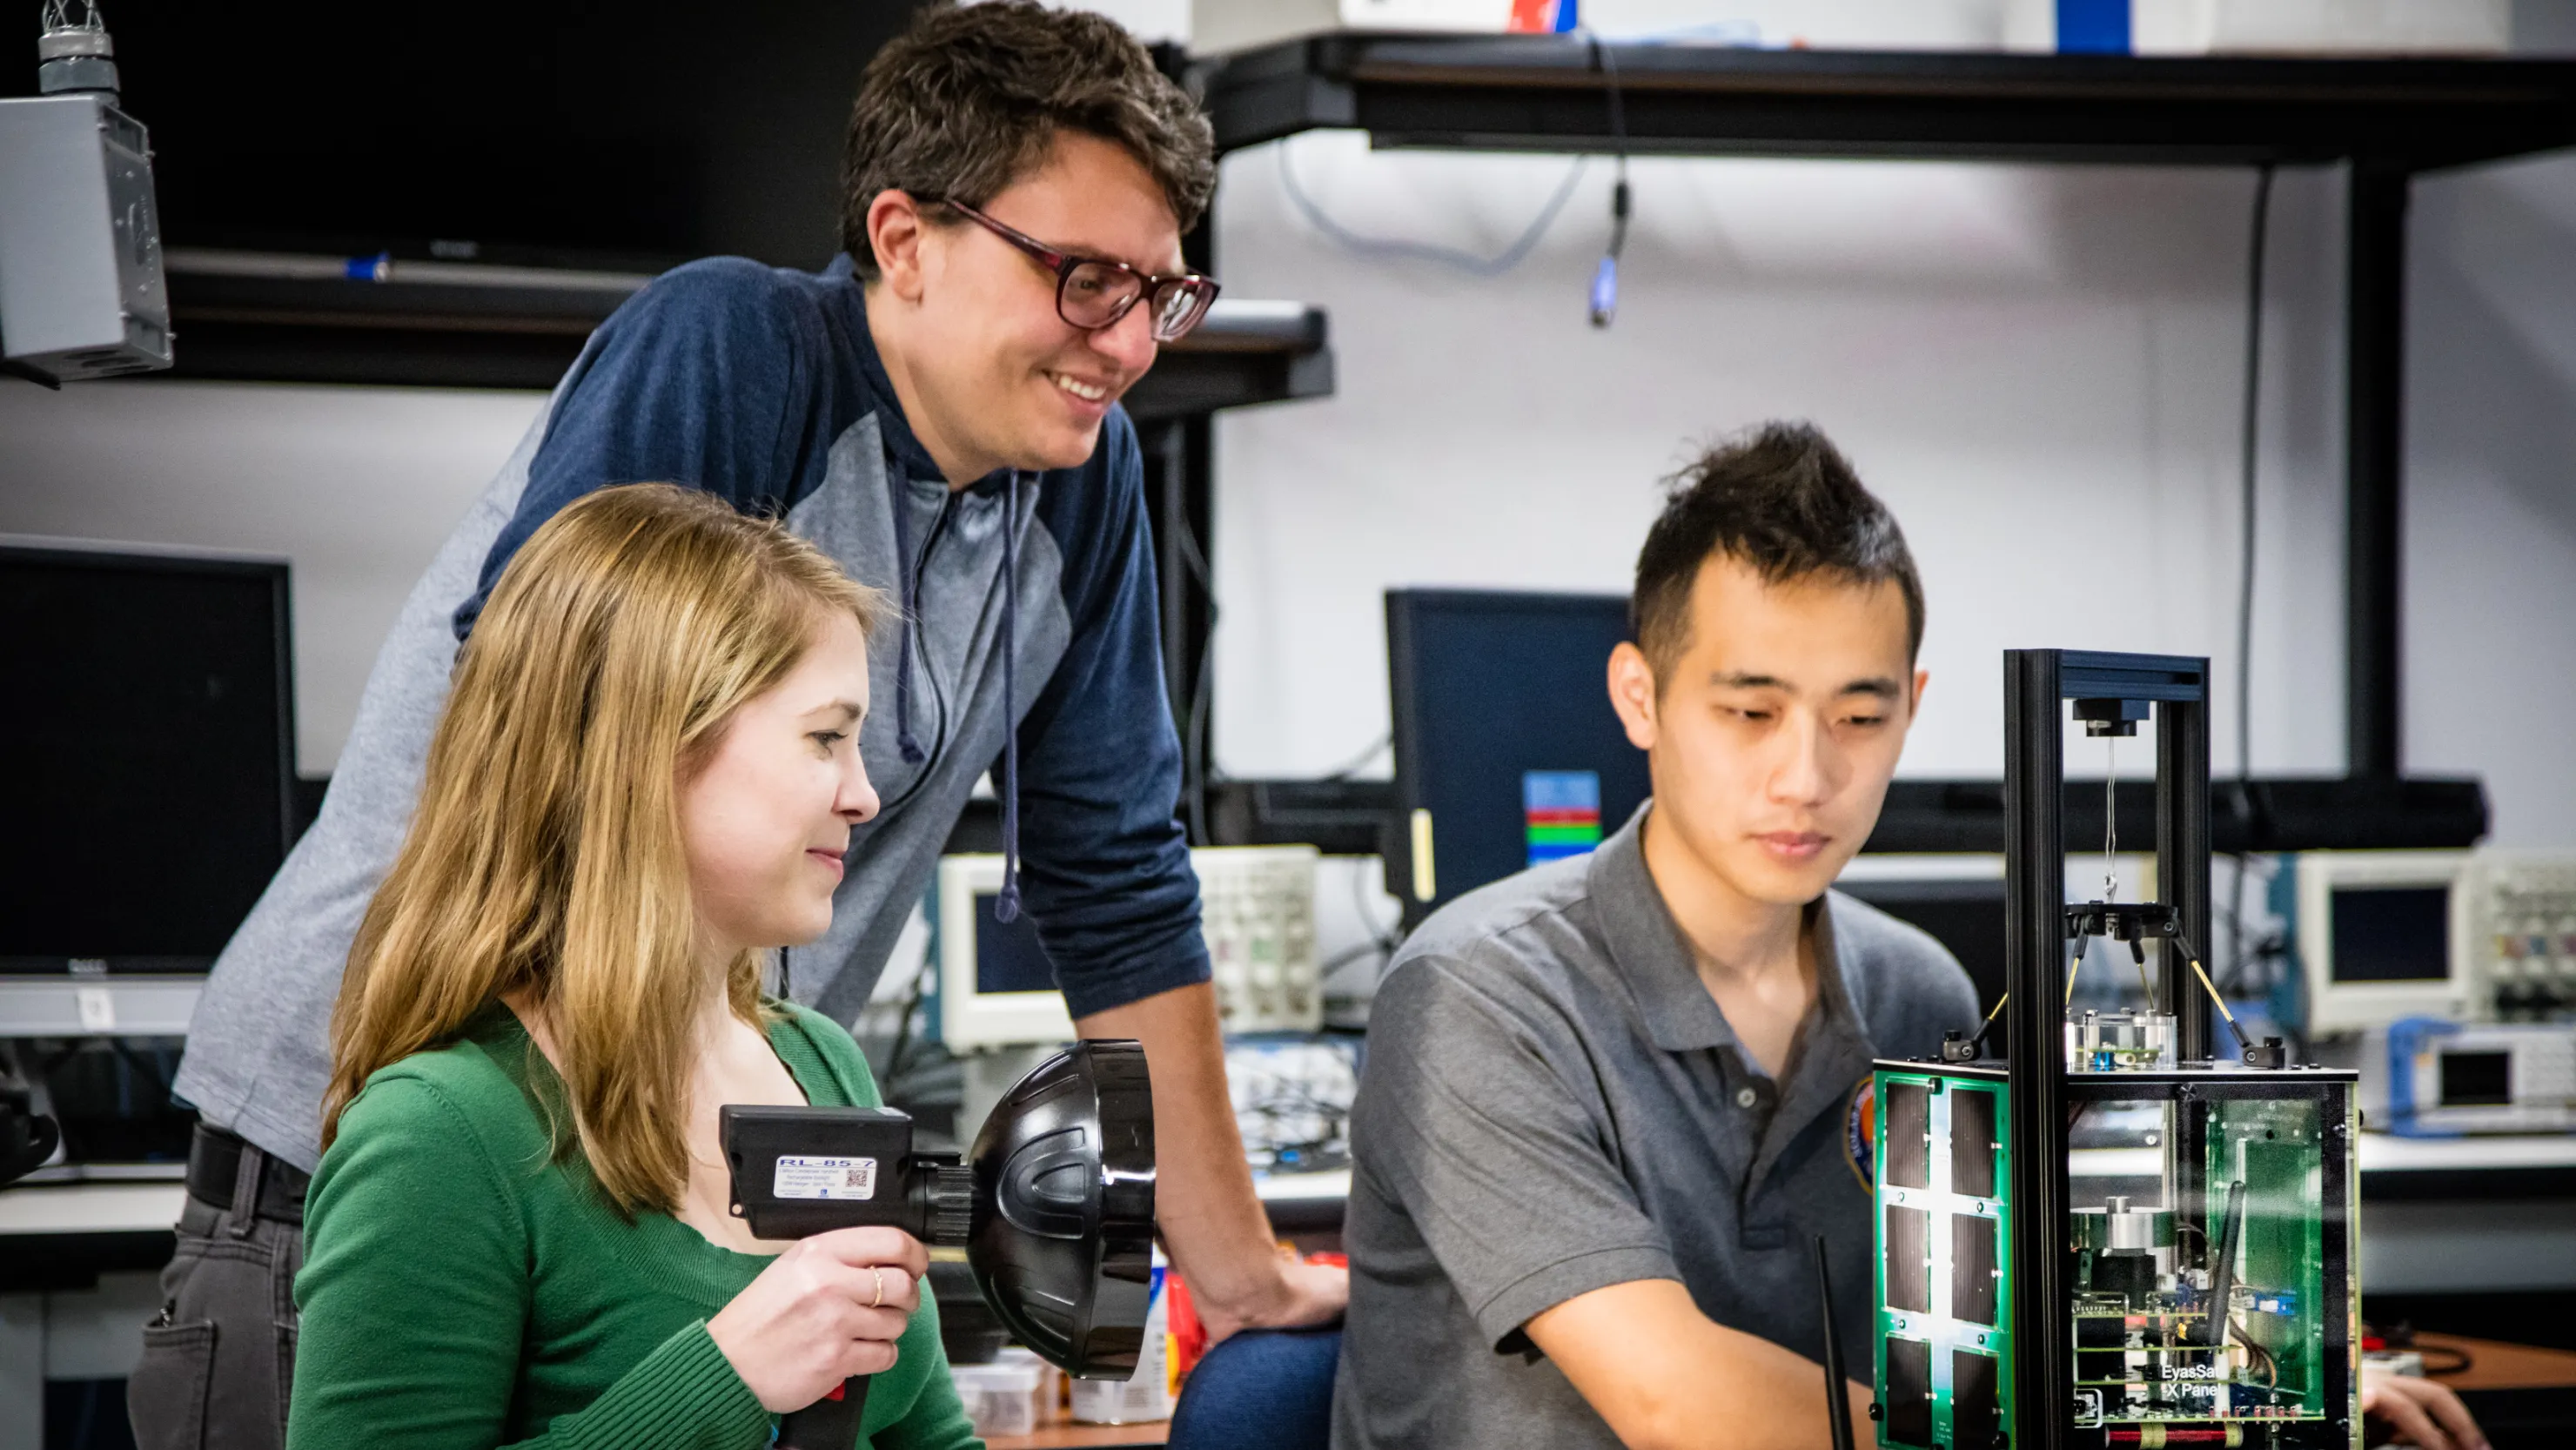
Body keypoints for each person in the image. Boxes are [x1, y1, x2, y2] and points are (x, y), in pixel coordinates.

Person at [139, 5, 1340, 1444]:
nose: (1131, 342)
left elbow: (1119, 885)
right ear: (905, 240)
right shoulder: (738, 350)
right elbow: (561, 744)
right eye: (1087, 280)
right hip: (380, 1150)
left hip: (690, 1167)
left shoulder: (1079, 476)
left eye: (1163, 291)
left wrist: (1246, 1281)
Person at [275, 483, 967, 1449]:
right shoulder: (441, 1136)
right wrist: (725, 1378)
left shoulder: (821, 1069)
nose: (861, 795)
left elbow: (926, 1439)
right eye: (824, 738)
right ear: (649, 751)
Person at [1332, 423, 1975, 1450]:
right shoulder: (1479, 995)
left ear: (1912, 709)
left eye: (1859, 719)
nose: (1805, 777)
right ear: (1641, 697)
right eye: (1751, 711)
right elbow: (1674, 1402)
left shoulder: (1920, 1001)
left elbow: (1964, 1358)